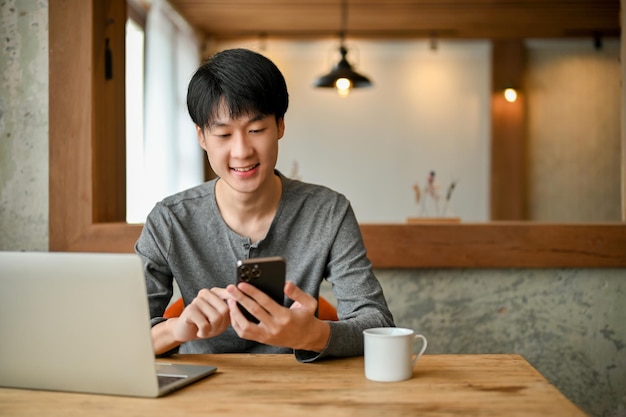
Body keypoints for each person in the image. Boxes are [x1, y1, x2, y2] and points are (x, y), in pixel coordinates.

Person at [135, 48, 395, 363]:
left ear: (280, 126)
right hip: (198, 391)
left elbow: (378, 322)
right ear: (201, 137)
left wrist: (312, 334)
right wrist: (177, 329)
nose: (242, 151)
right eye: (223, 134)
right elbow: (122, 337)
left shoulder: (328, 211)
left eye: (256, 130)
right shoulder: (169, 220)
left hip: (296, 392)